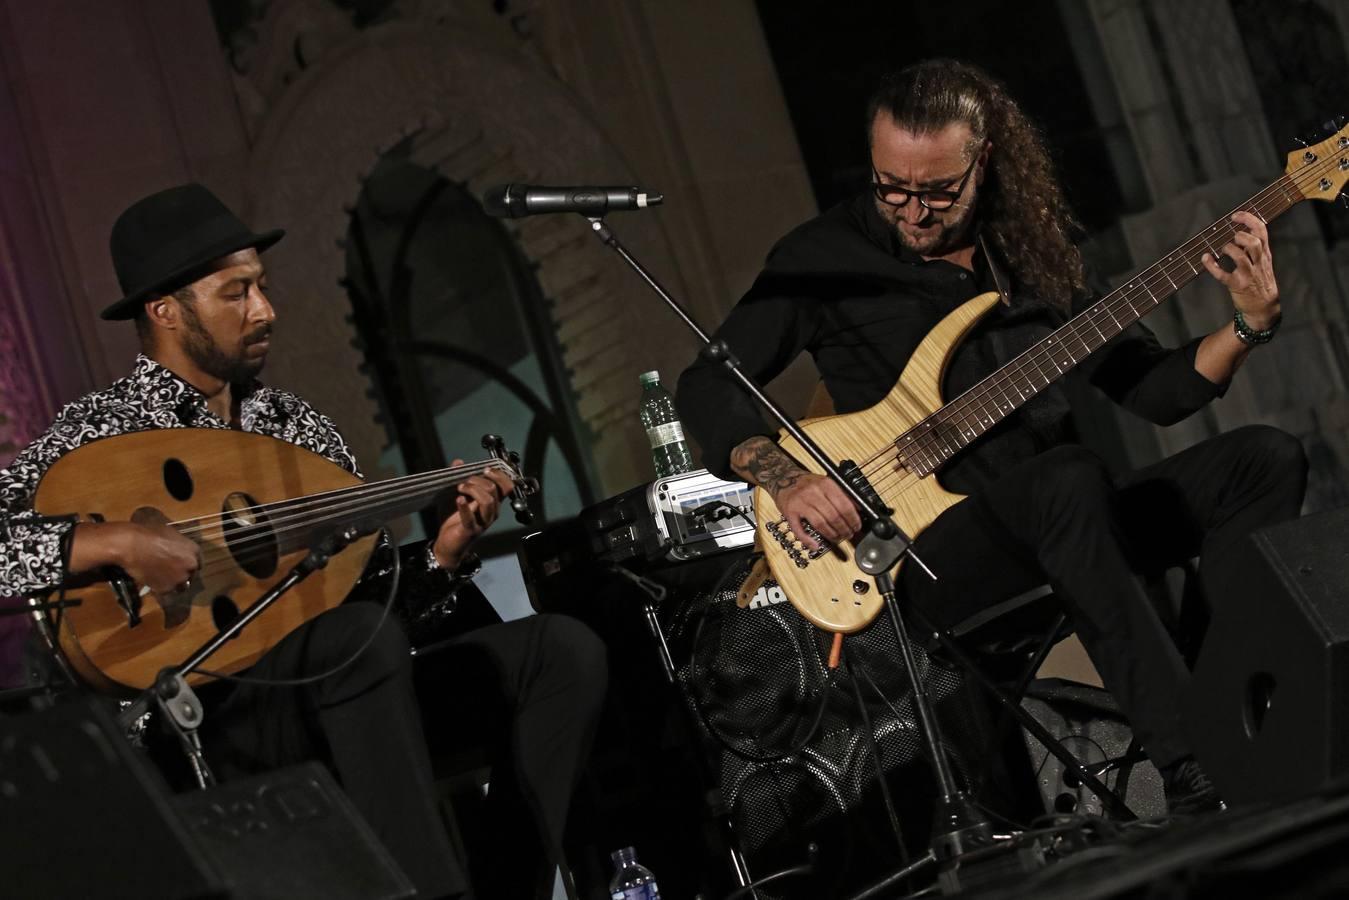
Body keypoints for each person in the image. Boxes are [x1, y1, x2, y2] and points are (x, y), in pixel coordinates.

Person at [676, 59, 1307, 814]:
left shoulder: (1031, 249)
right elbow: (706, 383)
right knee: (1067, 476)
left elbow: (1157, 390)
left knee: (1262, 459)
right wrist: (786, 479)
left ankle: (1224, 699)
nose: (911, 212)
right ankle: (1193, 767)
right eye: (890, 186)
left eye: (936, 191)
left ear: (984, 162)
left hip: (1073, 523)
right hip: (935, 555)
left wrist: (1247, 323)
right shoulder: (821, 259)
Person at [0, 183, 606, 898]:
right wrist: (115, 544)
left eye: (263, 287)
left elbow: (377, 613)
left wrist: (441, 555)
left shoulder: (295, 428)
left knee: (559, 652)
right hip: (199, 714)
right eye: (238, 292)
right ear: (165, 310)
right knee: (357, 647)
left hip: (336, 685)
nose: (266, 310)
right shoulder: (100, 431)